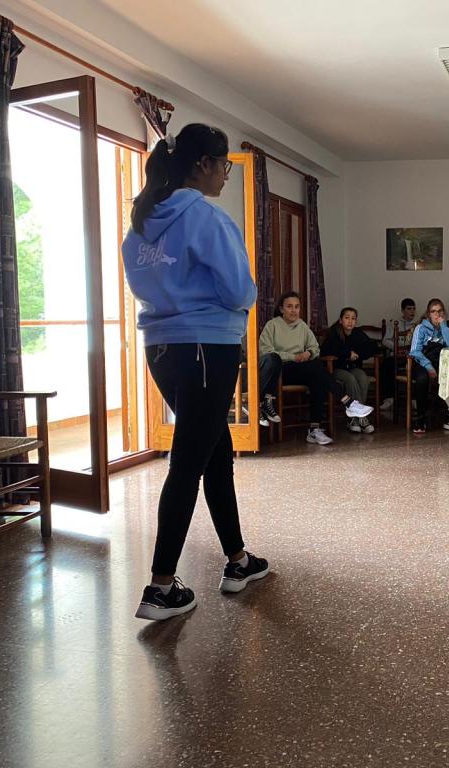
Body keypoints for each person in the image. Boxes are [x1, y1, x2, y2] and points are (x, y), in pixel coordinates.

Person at [122, 124, 268, 620]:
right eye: (224, 165)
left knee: (215, 451)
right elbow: (240, 291)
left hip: (162, 349)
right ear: (204, 164)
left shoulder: (141, 222)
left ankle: (238, 561)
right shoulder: (207, 217)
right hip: (208, 348)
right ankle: (161, 587)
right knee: (188, 462)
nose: (226, 175)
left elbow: (143, 283)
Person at [259, 291, 374, 444]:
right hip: (280, 371)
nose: (294, 310)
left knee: (317, 375)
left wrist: (309, 352)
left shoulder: (302, 326)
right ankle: (348, 402)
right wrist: (293, 357)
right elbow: (266, 352)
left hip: (300, 368)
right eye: (289, 307)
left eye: (297, 307)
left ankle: (315, 429)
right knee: (316, 369)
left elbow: (315, 348)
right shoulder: (272, 325)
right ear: (281, 309)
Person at [408, 298, 449, 434]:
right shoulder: (421, 328)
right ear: (428, 314)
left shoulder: (447, 329)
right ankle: (420, 419)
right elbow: (415, 351)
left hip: (442, 364)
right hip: (423, 363)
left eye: (440, 311)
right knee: (422, 379)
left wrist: (444, 327)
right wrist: (429, 367)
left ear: (444, 313)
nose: (437, 314)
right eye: (433, 311)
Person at [320, 307, 377, 434]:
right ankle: (359, 418)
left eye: (353, 319)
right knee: (350, 379)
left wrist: (357, 354)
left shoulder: (357, 333)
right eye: (347, 318)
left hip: (353, 367)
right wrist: (347, 354)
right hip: (336, 369)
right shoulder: (334, 333)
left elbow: (372, 347)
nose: (350, 321)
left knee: (362, 377)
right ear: (340, 320)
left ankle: (357, 419)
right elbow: (326, 351)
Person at [380, 298, 417, 410]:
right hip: (397, 355)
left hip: (412, 357)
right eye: (409, 309)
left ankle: (414, 399)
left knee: (420, 366)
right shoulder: (394, 323)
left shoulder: (417, 325)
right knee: (386, 365)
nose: (412, 311)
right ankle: (389, 398)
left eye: (414, 309)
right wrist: (397, 348)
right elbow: (385, 341)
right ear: (402, 310)